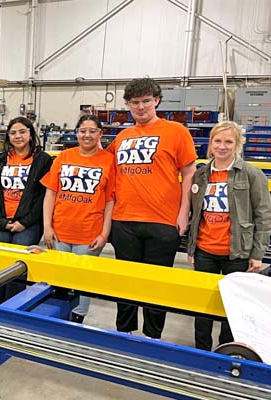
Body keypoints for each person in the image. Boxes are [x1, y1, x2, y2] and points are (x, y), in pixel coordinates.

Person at [106, 78, 197, 339]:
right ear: (127, 105)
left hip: (162, 221)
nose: (141, 107)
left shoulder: (176, 131)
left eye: (146, 101)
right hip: (124, 221)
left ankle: (152, 337)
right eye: (135, 102)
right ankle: (125, 334)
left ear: (156, 101)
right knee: (126, 282)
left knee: (157, 285)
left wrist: (183, 213)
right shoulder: (123, 137)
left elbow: (189, 173)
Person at [186, 121, 271, 351]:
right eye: (218, 141)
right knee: (202, 307)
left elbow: (263, 215)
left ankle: (226, 351)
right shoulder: (201, 174)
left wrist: (257, 253)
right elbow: (196, 215)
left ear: (237, 145)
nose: (222, 146)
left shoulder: (252, 174)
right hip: (205, 251)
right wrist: (192, 249)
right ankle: (201, 350)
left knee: (232, 309)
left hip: (237, 253)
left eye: (228, 142)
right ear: (210, 144)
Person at [41, 115, 115, 323]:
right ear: (76, 133)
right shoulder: (64, 157)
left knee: (82, 284)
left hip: (89, 235)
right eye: (83, 130)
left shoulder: (108, 161)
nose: (87, 135)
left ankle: (76, 323)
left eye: (93, 131)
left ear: (100, 134)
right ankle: (58, 322)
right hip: (60, 232)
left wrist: (104, 233)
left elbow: (110, 201)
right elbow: (51, 194)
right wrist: (47, 227)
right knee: (59, 281)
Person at [0, 116, 52, 304]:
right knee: (1, 266)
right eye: (13, 133)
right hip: (2, 222)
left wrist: (24, 222)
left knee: (18, 268)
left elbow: (42, 197)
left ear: (31, 134)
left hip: (28, 224)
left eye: (22, 132)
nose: (18, 136)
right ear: (8, 136)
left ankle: (13, 309)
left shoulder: (43, 160)